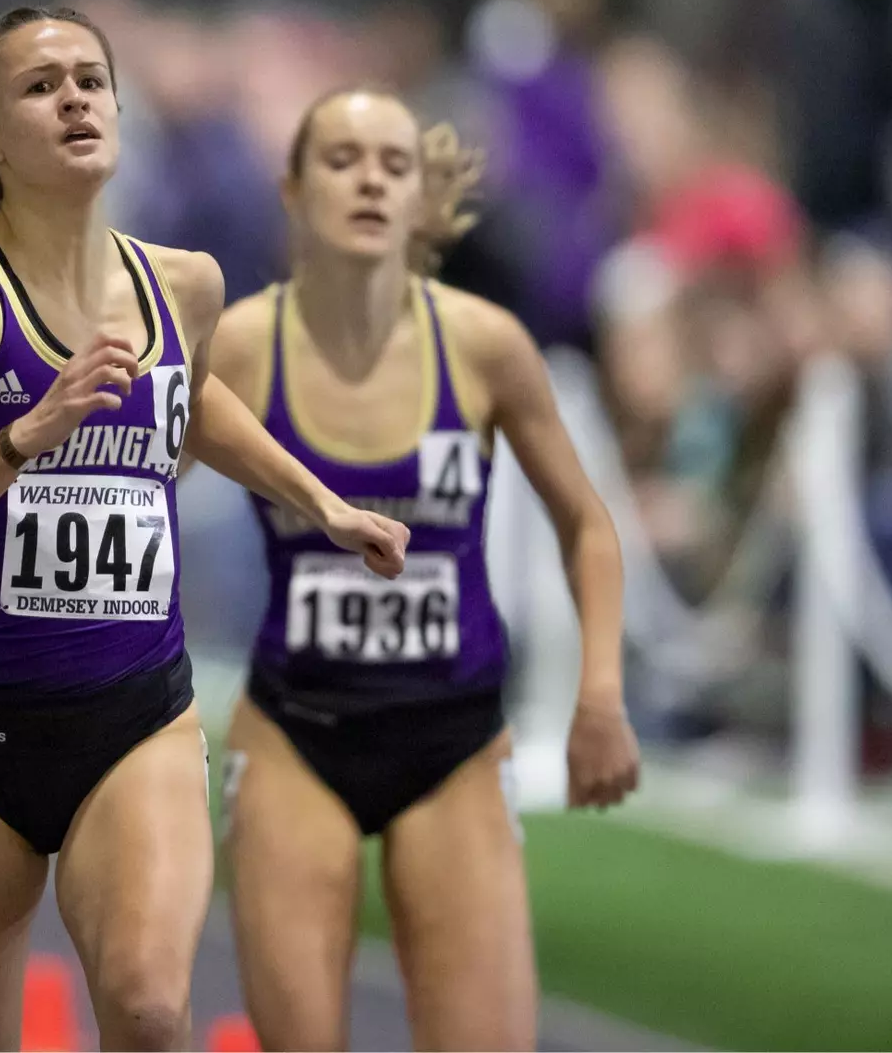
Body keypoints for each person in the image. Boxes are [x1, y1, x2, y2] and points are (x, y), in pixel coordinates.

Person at [0, 6, 410, 1051]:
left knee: (151, 1009)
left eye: (92, 80)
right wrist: (25, 437)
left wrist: (318, 497)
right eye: (41, 86)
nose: (76, 100)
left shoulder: (182, 281)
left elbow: (193, 401)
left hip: (135, 717)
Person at [203, 89, 641, 1050]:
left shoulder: (484, 346)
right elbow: (129, 486)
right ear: (292, 188)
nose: (368, 180)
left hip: (452, 740)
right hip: (295, 733)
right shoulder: (240, 345)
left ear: (420, 197)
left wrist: (599, 697)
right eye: (342, 159)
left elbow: (586, 524)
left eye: (393, 165)